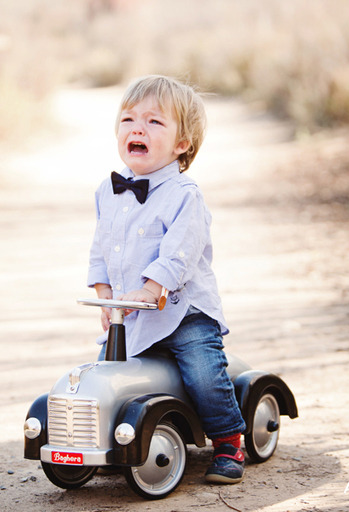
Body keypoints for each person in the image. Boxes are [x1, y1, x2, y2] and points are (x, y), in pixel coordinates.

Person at [87, 75, 247, 484]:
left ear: (182, 144)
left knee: (202, 372)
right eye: (128, 119)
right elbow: (102, 244)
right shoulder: (109, 191)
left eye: (154, 122)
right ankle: (112, 439)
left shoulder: (184, 195)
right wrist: (105, 293)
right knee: (108, 371)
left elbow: (180, 253)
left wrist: (150, 287)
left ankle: (229, 440)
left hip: (182, 311)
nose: (137, 128)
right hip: (134, 312)